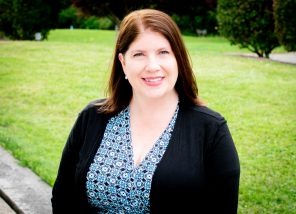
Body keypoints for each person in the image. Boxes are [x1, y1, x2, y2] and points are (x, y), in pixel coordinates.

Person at [51, 8, 240, 214]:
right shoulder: (93, 117)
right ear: (123, 63)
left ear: (178, 59)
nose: (152, 66)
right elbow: (63, 197)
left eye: (163, 52)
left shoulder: (211, 129)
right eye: (139, 54)